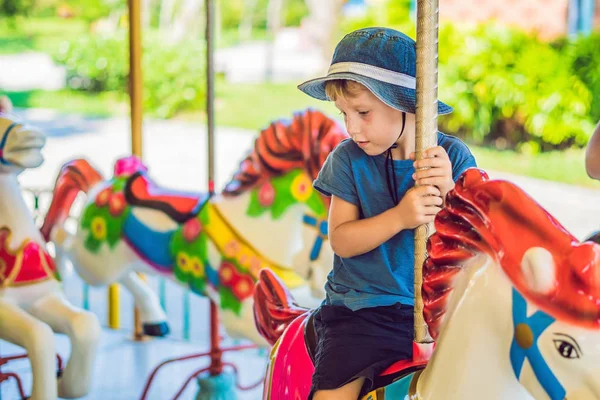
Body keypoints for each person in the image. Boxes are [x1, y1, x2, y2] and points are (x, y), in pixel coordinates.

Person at [297, 27, 477, 399]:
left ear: (406, 103)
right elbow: (342, 240)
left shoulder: (452, 159)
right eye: (344, 113)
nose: (351, 127)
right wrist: (400, 216)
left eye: (363, 113)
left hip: (441, 311)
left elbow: (476, 243)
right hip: (362, 312)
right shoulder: (346, 160)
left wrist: (448, 192)